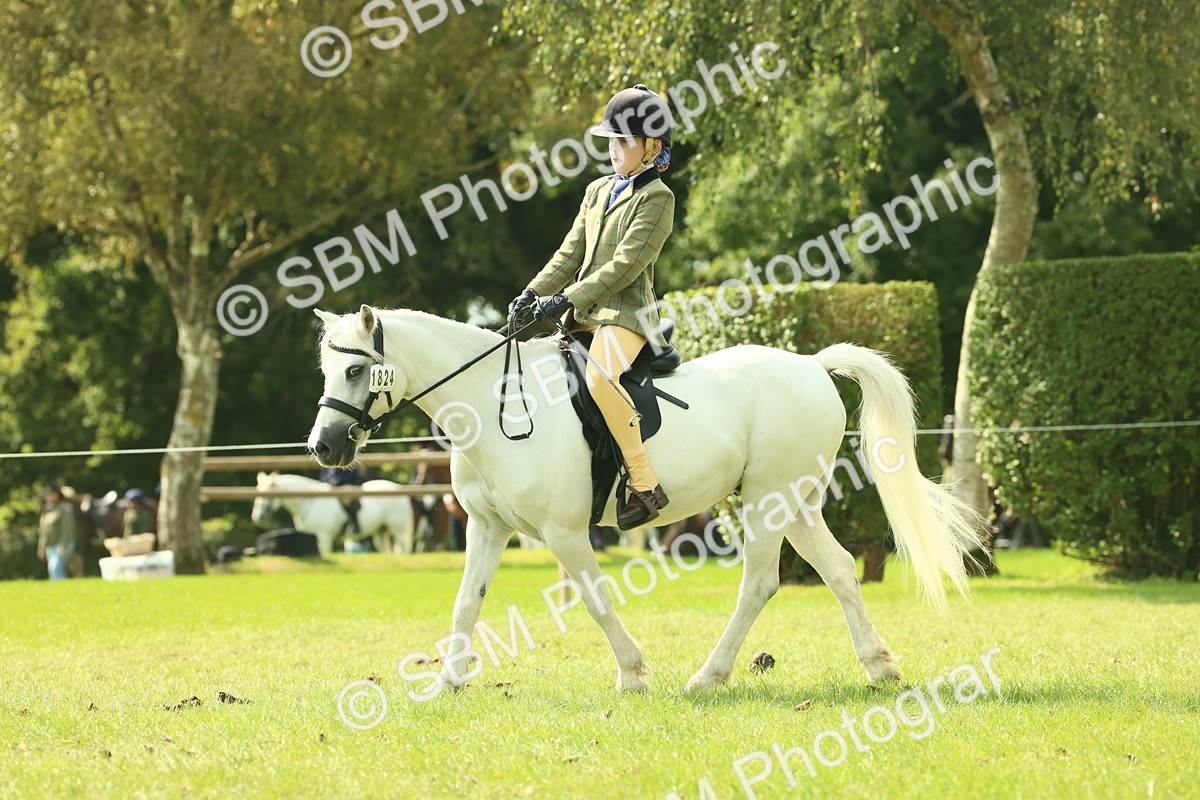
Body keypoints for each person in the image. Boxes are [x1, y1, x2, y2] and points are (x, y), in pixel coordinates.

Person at [510, 84, 675, 530]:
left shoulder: (658, 198)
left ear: (651, 146)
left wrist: (567, 297)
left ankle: (644, 483)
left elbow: (626, 266)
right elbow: (570, 253)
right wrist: (533, 292)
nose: (613, 149)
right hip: (583, 316)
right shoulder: (597, 190)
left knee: (600, 378)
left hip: (628, 315)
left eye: (623, 140)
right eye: (610, 140)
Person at [37, 486, 76, 581]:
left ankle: (62, 586)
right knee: (52, 570)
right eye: (47, 495)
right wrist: (41, 547)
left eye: (52, 495)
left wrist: (63, 545)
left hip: (62, 544)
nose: (50, 497)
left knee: (55, 568)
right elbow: (43, 531)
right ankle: (57, 587)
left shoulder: (64, 509)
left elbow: (66, 529)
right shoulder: (46, 510)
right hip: (50, 545)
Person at [321, 465, 366, 534]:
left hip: (347, 485)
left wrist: (336, 482)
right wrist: (327, 482)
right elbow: (325, 475)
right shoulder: (328, 462)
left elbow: (351, 476)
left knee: (345, 498)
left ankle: (353, 524)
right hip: (332, 486)